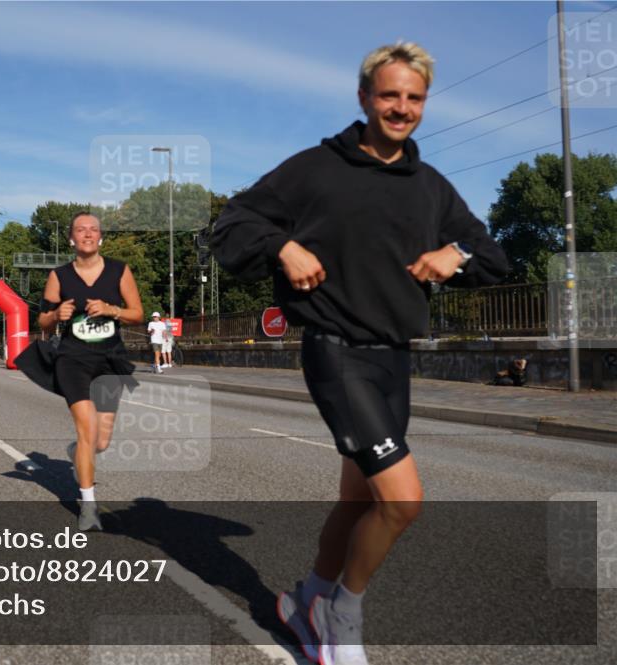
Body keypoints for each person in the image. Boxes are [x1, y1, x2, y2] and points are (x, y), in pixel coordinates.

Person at [211, 42, 509, 665]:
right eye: (389, 94)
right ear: (364, 97)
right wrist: (281, 247)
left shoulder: (429, 186)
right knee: (402, 501)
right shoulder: (317, 169)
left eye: (414, 98)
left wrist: (456, 255)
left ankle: (306, 597)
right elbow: (232, 223)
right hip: (335, 350)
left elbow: (492, 254)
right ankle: (340, 612)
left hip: (393, 357)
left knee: (359, 500)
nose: (401, 108)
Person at [15, 212, 144, 531]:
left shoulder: (119, 271)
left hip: (110, 358)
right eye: (80, 230)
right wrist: (57, 313)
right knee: (87, 430)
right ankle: (88, 505)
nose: (87, 234)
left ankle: (77, 453)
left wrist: (113, 310)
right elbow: (41, 321)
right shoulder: (59, 276)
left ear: (100, 238)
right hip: (72, 359)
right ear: (71, 238)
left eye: (93, 230)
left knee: (100, 441)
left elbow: (138, 313)